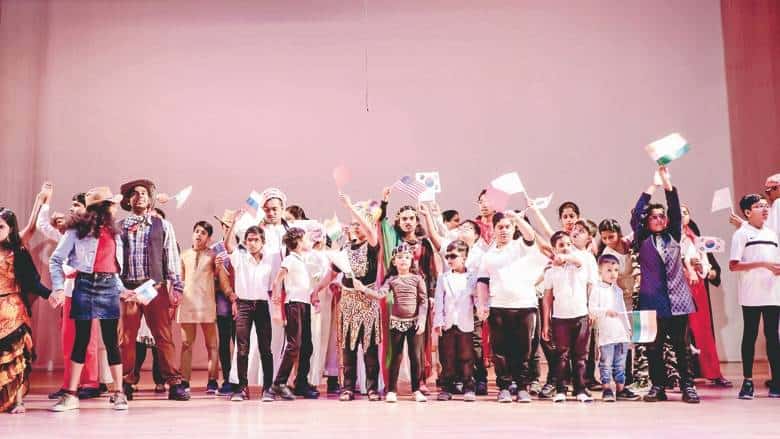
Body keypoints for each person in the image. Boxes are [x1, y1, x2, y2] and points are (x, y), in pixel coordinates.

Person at [47, 187, 127, 411]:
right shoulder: (77, 231)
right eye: (111, 204)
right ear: (102, 208)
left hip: (109, 285)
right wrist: (58, 288)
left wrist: (123, 290)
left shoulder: (115, 232)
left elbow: (115, 268)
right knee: (81, 340)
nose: (115, 208)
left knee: (111, 340)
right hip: (84, 284)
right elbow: (56, 260)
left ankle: (118, 393)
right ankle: (70, 395)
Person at [630, 166, 699, 403]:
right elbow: (636, 215)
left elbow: (675, 209)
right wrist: (653, 185)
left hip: (678, 300)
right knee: (652, 347)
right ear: (647, 221)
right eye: (654, 216)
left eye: (662, 216)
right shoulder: (642, 238)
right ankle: (657, 386)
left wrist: (667, 184)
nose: (659, 219)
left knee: (682, 347)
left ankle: (688, 387)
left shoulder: (674, 235)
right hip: (650, 302)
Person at [116, 178, 188, 401]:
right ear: (128, 200)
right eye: (134, 193)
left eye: (144, 193)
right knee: (126, 338)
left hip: (155, 287)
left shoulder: (162, 225)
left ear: (150, 200)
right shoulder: (119, 227)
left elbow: (171, 256)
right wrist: (118, 287)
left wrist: (177, 286)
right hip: (129, 288)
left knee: (163, 336)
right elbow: (114, 259)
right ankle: (126, 382)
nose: (139, 197)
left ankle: (174, 383)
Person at [313, 193, 382, 401]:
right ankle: (348, 387)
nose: (357, 227)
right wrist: (317, 289)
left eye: (360, 224)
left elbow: (370, 230)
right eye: (354, 224)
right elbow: (332, 273)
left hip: (367, 301)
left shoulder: (372, 244)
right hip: (348, 301)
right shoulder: (344, 249)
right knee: (348, 348)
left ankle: (372, 388)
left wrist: (351, 207)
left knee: (370, 348)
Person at [477, 211, 539, 403]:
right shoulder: (488, 256)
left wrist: (517, 218)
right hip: (499, 307)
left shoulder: (521, 246)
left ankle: (522, 387)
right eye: (500, 227)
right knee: (500, 351)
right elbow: (482, 281)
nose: (504, 230)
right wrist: (482, 305)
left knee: (523, 350)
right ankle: (504, 387)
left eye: (507, 227)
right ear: (494, 229)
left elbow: (530, 236)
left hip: (525, 306)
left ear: (513, 229)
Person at [0, 208, 51, 414]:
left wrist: (50, 295)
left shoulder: (18, 252)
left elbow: (32, 282)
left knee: (16, 355)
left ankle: (18, 401)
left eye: (0, 227)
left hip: (13, 310)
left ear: (11, 229)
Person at [729, 194, 780, 399]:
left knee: (773, 337)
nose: (765, 209)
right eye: (759, 206)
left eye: (766, 205)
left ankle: (777, 381)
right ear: (748, 212)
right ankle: (747, 382)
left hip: (772, 293)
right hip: (751, 294)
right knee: (750, 335)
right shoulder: (741, 234)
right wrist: (762, 264)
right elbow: (734, 265)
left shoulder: (772, 234)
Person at [221, 215, 275, 402]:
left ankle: (268, 389)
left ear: (262, 242)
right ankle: (241, 388)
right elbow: (228, 245)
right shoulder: (240, 257)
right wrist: (234, 224)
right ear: (245, 242)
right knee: (242, 348)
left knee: (265, 349)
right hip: (243, 305)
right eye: (249, 240)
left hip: (262, 305)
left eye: (256, 240)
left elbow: (274, 285)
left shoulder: (270, 260)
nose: (252, 243)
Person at [366, 243, 428, 403]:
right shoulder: (392, 280)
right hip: (397, 323)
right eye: (400, 257)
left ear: (412, 260)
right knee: (396, 356)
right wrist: (364, 289)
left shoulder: (418, 279)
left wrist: (422, 320)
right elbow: (380, 294)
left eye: (407, 257)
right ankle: (392, 390)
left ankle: (416, 389)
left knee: (415, 357)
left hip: (414, 323)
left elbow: (423, 301)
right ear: (394, 261)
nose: (403, 260)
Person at [680, 205, 731, 387]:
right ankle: (681, 377)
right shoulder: (668, 237)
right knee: (679, 333)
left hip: (697, 286)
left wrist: (703, 269)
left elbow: (710, 267)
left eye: (685, 212)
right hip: (677, 288)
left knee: (703, 331)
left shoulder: (697, 239)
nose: (682, 215)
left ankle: (713, 372)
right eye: (678, 212)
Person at [542, 231, 594, 403]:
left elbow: (577, 261)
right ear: (554, 249)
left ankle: (580, 389)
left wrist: (565, 258)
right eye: (561, 245)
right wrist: (546, 323)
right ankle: (561, 389)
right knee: (561, 356)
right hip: (560, 319)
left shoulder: (579, 263)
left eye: (568, 244)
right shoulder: (550, 271)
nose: (565, 248)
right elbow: (547, 298)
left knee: (580, 356)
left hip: (581, 316)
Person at [271, 227, 320, 400]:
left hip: (304, 304)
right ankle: (279, 383)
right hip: (294, 304)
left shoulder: (302, 260)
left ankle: (301, 383)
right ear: (298, 242)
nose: (308, 241)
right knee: (294, 345)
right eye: (305, 238)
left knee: (307, 345)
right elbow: (277, 281)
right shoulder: (290, 259)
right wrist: (277, 307)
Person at [588, 254, 640, 402]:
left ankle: (621, 389)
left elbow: (622, 310)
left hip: (621, 334)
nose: (613, 274)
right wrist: (606, 311)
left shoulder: (618, 290)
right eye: (609, 270)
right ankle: (606, 389)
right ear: (600, 271)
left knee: (620, 364)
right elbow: (592, 309)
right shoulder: (597, 289)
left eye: (616, 270)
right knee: (606, 363)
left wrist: (628, 329)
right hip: (607, 335)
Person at [178, 221, 219, 394]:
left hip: (206, 304)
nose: (199, 235)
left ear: (209, 238)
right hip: (187, 303)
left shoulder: (213, 256)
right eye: (196, 231)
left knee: (212, 345)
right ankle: (184, 381)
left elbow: (219, 277)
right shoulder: (184, 255)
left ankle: (212, 380)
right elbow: (179, 280)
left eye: (203, 233)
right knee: (186, 344)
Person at [434, 240, 478, 402]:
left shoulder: (472, 277)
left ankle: (468, 387)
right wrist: (438, 321)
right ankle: (446, 387)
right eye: (447, 257)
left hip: (465, 322)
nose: (449, 260)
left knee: (466, 357)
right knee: (447, 357)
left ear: (464, 257)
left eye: (453, 256)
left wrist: (482, 308)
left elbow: (477, 297)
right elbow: (439, 300)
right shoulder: (443, 278)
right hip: (448, 323)